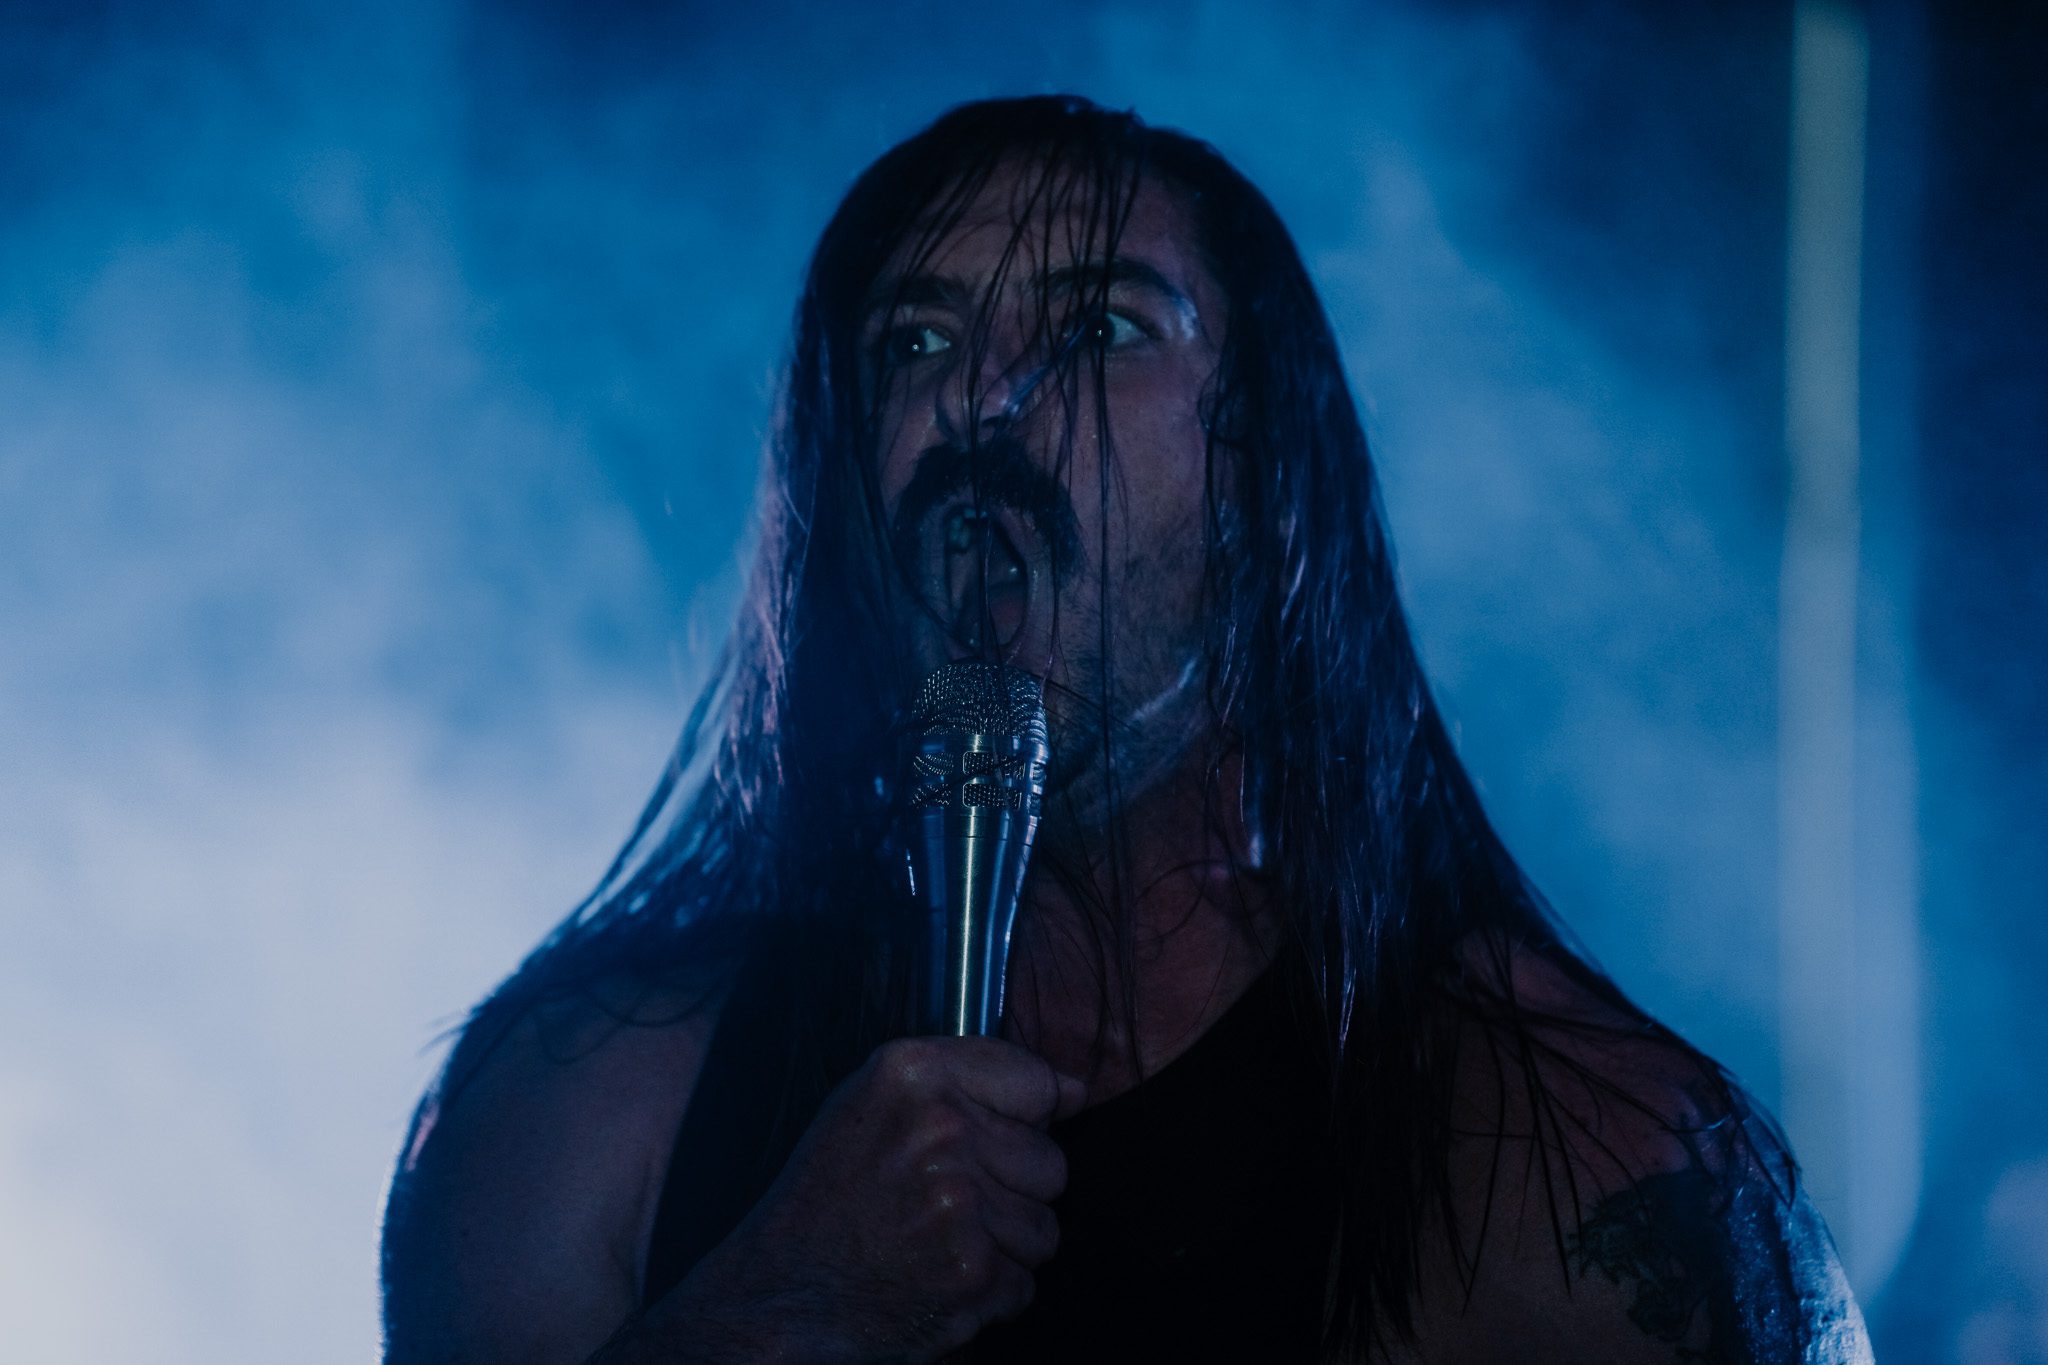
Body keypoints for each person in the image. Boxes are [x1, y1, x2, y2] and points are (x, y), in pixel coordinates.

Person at [380, 96, 1872, 1363]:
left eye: (1098, 324)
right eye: (912, 340)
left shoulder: (1577, 1149)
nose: (981, 395)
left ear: (1257, 474)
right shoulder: (578, 1109)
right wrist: (774, 1303)